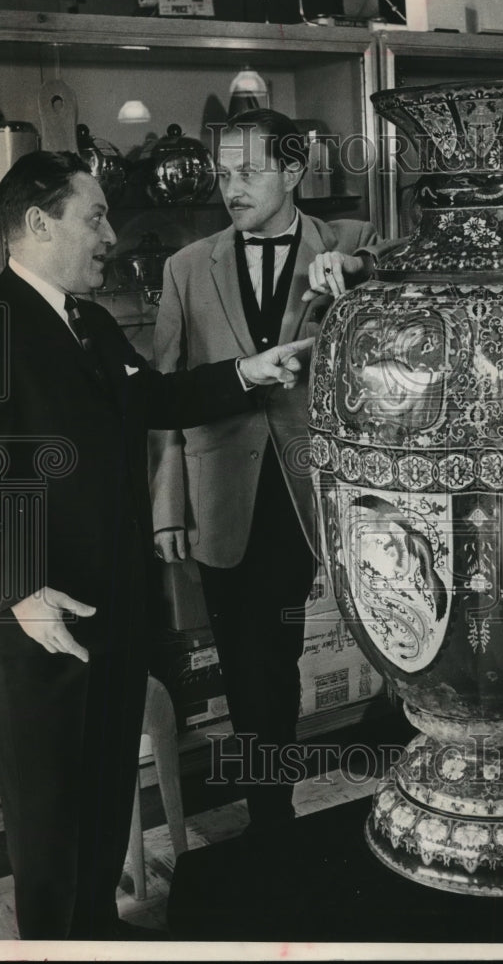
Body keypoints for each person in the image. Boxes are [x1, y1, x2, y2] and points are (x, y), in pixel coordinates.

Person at [0, 149, 312, 941]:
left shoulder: (88, 320)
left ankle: (97, 931)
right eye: (96, 217)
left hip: (114, 602)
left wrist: (250, 372)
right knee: (49, 811)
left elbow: (152, 397)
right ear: (39, 224)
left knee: (106, 784)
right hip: (41, 614)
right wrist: (19, 588)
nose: (110, 235)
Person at [149, 108, 383, 834]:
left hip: (329, 485)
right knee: (257, 665)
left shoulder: (351, 242)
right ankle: (271, 818)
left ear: (292, 171)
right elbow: (164, 397)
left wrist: (360, 272)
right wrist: (168, 508)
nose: (231, 188)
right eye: (223, 173)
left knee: (393, 635)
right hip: (228, 494)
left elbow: (415, 280)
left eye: (249, 172)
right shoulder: (186, 267)